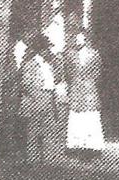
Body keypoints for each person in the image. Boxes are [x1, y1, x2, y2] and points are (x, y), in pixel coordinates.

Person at [18, 34, 62, 165]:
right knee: (33, 129)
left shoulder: (49, 64)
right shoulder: (31, 64)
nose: (49, 51)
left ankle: (45, 159)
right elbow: (26, 84)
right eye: (46, 48)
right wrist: (36, 97)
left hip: (48, 97)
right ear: (40, 50)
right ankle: (32, 159)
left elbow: (57, 79)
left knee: (46, 129)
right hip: (35, 97)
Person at [65, 30, 104, 161]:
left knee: (89, 117)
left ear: (87, 39)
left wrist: (88, 81)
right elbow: (69, 72)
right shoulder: (71, 55)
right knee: (77, 117)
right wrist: (76, 81)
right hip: (76, 89)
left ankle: (90, 147)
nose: (78, 40)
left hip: (89, 90)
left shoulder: (95, 54)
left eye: (80, 38)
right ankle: (77, 146)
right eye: (77, 38)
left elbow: (97, 72)